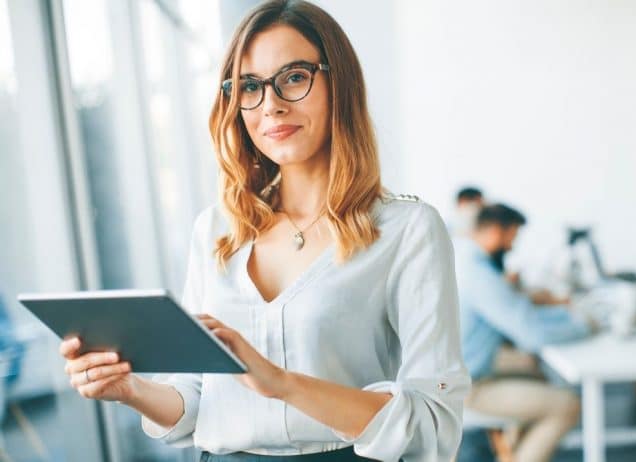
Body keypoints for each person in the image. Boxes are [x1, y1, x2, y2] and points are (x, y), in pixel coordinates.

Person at [58, 1, 468, 461]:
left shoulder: (406, 230)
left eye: (294, 77)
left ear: (341, 84)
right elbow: (197, 400)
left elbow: (433, 422)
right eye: (250, 86)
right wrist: (130, 389)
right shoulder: (217, 229)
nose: (270, 105)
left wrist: (281, 383)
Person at [454, 204, 592, 462]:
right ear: (496, 231)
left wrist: (559, 313)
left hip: (460, 375)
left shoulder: (466, 258)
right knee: (568, 405)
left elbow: (519, 314)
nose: (513, 246)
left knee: (537, 373)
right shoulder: (479, 274)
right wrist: (584, 325)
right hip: (468, 390)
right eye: (512, 236)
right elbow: (532, 335)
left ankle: (512, 452)